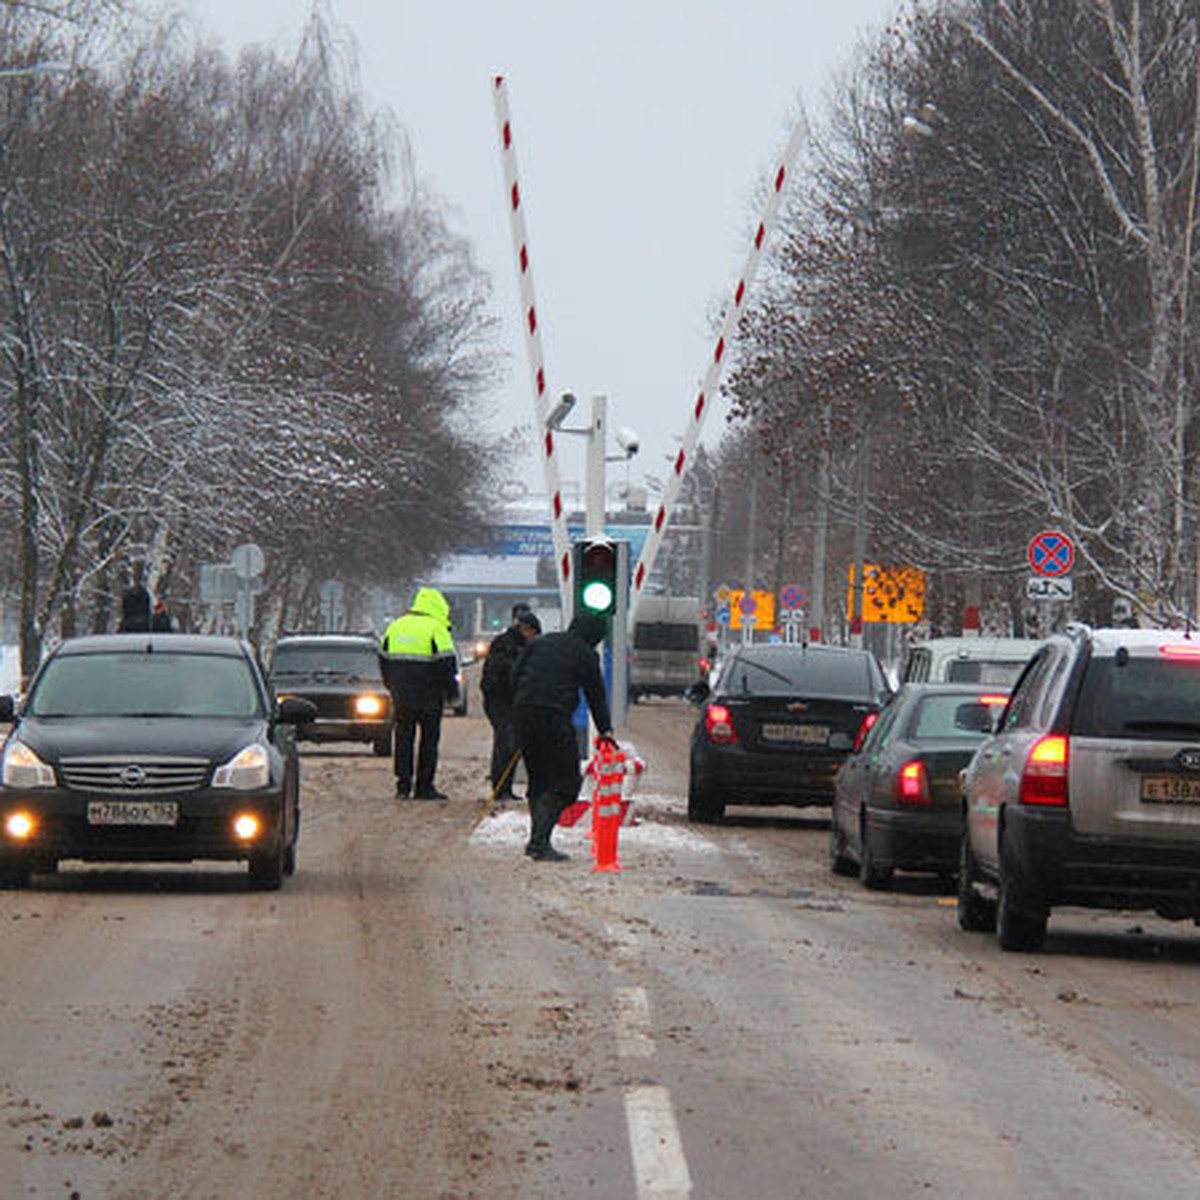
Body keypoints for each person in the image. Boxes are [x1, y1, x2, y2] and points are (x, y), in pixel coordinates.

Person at [511, 611, 617, 862]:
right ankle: (539, 842)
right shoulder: (585, 654)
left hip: (523, 714)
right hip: (554, 718)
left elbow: (515, 674)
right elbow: (595, 695)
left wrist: (521, 703)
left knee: (538, 779)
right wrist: (605, 731)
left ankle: (538, 841)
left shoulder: (540, 642)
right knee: (567, 783)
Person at [379, 586, 458, 800]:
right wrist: (451, 693)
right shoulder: (436, 628)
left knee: (404, 738)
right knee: (428, 741)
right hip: (429, 696)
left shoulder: (396, 626)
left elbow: (383, 659)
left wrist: (392, 685)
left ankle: (403, 785)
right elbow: (447, 664)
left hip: (402, 695)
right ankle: (424, 786)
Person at [481, 604, 541, 800]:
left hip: (514, 701)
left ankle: (506, 787)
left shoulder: (525, 646)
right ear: (526, 630)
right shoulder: (505, 644)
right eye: (533, 633)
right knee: (506, 742)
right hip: (499, 700)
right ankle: (500, 788)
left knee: (514, 743)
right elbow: (499, 671)